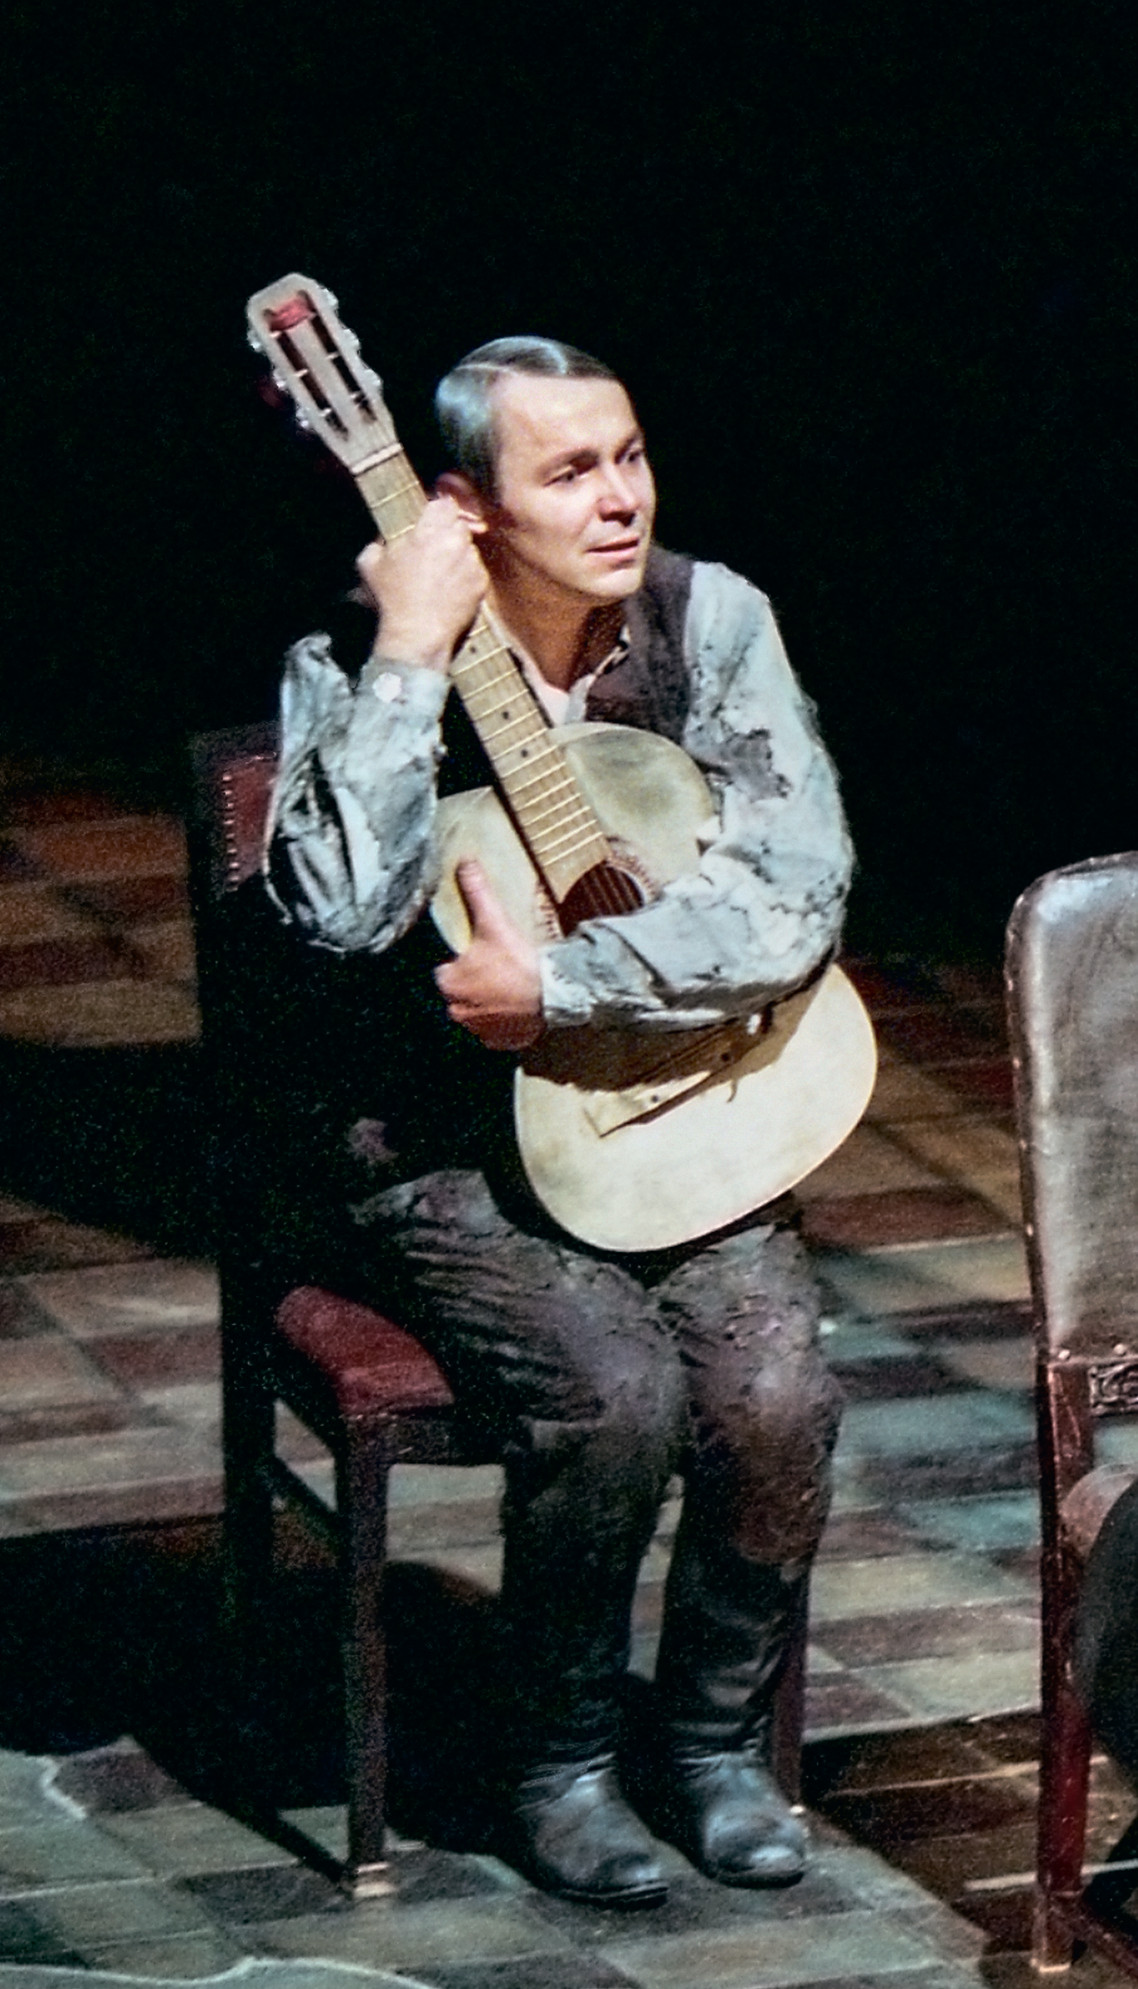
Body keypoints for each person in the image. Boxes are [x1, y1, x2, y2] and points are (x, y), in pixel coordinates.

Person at [262, 337, 852, 1907]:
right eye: (569, 470)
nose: (618, 497)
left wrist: (572, 983)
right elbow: (337, 913)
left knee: (777, 1393)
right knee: (613, 1393)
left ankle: (709, 1744)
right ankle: (559, 1758)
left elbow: (795, 888)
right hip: (438, 1140)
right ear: (464, 506)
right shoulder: (351, 651)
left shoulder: (709, 620)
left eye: (629, 454)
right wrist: (409, 653)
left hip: (673, 1095)